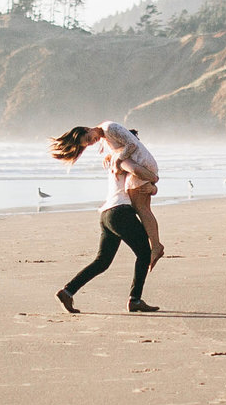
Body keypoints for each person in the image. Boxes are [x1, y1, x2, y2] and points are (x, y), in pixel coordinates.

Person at [49, 120, 162, 313]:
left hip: (107, 215)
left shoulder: (113, 155)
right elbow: (136, 171)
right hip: (120, 212)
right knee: (144, 254)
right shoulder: (123, 158)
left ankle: (67, 291)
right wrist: (154, 180)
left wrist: (151, 187)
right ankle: (135, 300)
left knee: (102, 261)